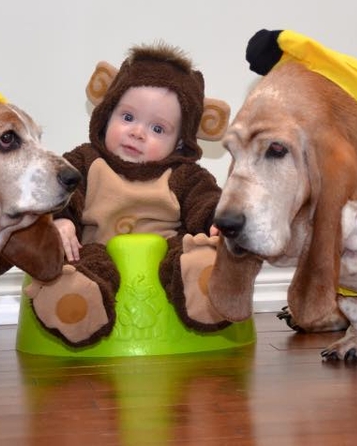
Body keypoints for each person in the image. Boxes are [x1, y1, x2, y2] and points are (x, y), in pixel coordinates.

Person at [25, 42, 231, 347]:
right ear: (107, 114)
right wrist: (59, 220)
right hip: (93, 251)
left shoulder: (184, 175)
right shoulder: (85, 161)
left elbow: (205, 199)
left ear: (179, 142)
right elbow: (57, 188)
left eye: (158, 129)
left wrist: (216, 221)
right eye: (128, 117)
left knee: (187, 253)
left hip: (164, 257)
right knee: (80, 263)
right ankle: (72, 301)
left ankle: (204, 284)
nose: (137, 132)